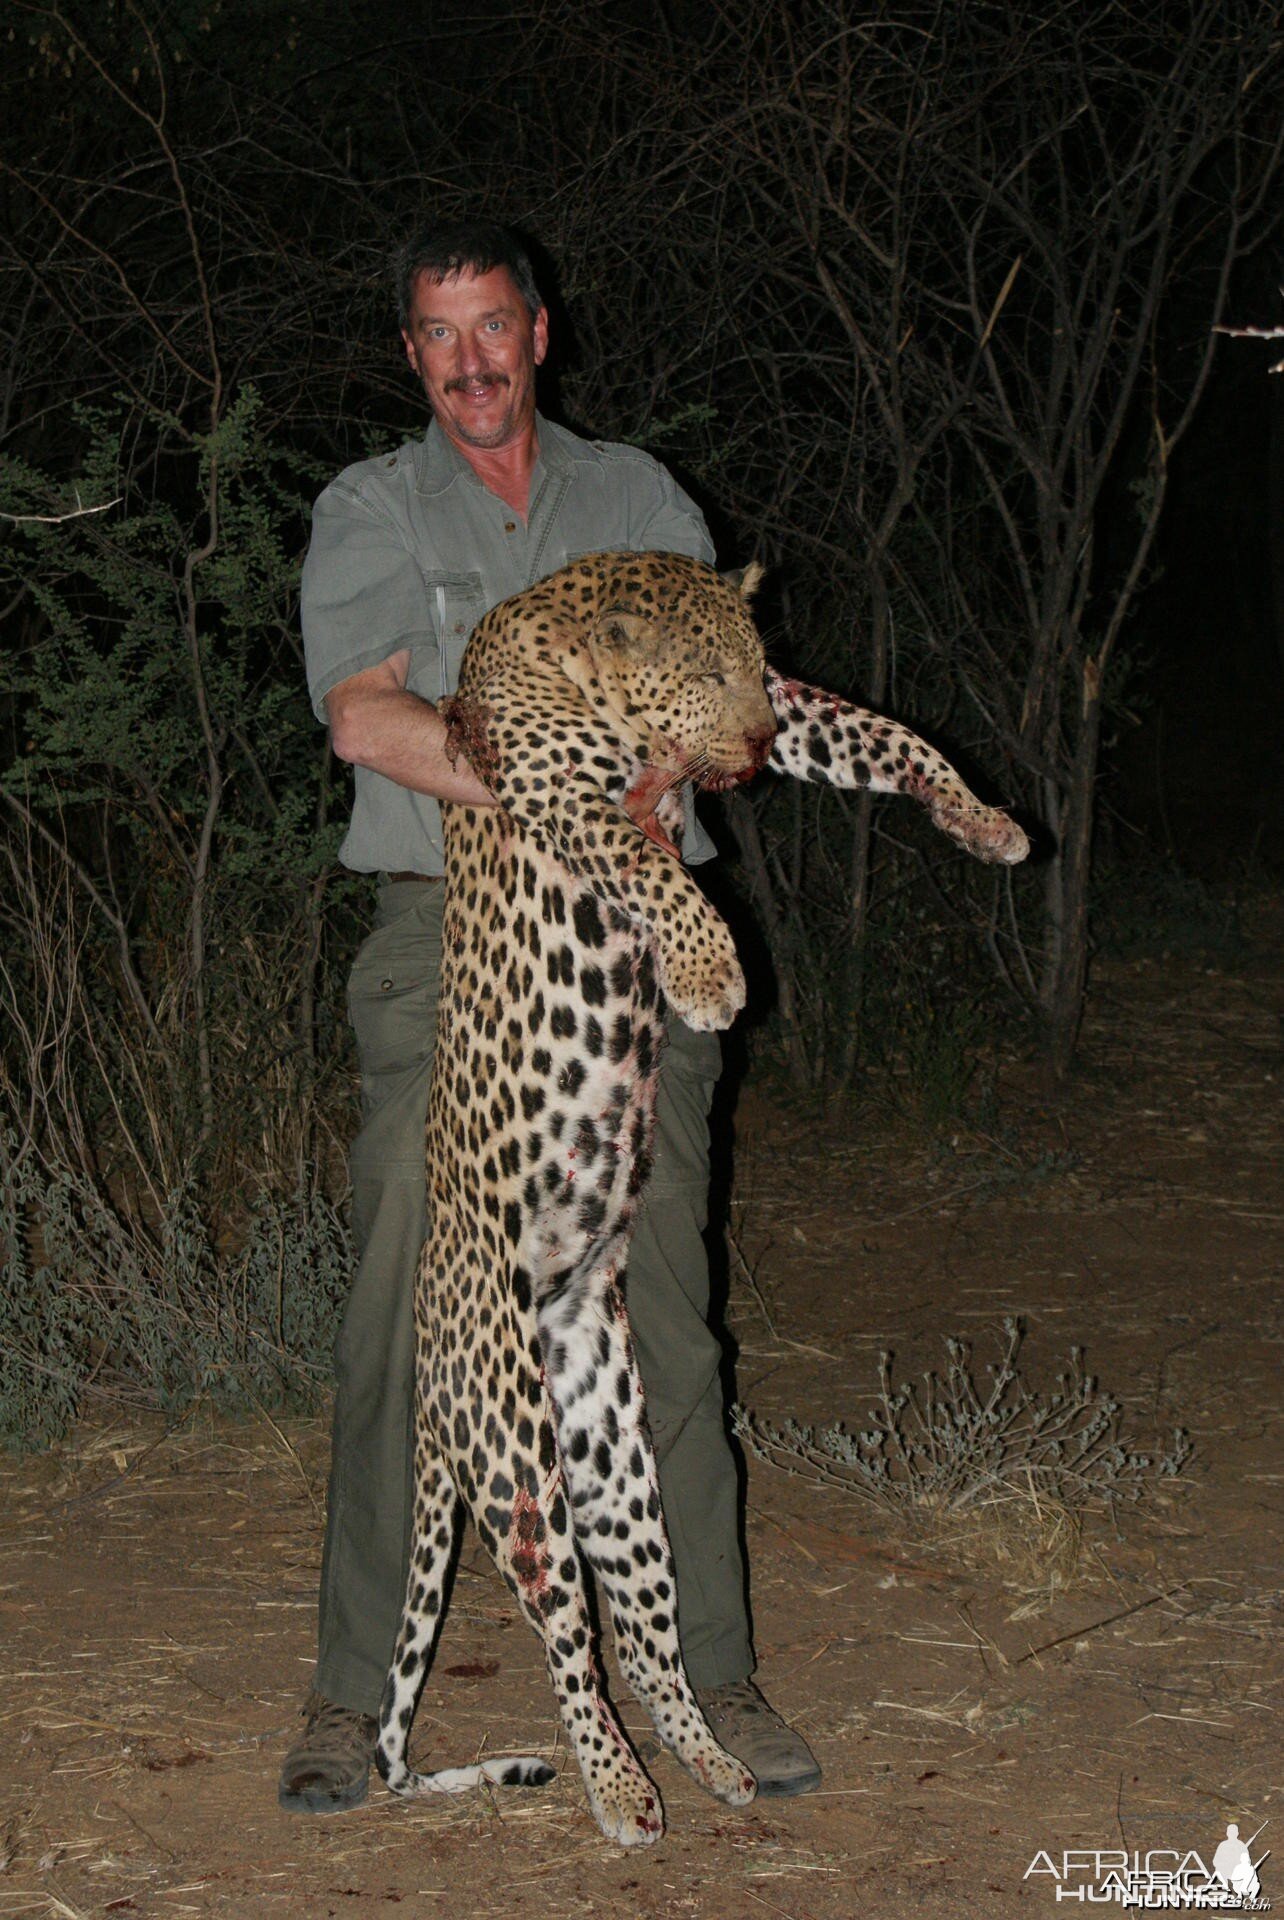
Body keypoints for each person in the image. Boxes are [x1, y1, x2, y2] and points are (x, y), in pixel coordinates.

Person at [279, 219, 821, 1814]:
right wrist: (561, 791)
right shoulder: (373, 506)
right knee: (409, 1304)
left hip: (635, 937)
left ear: (541, 331)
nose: (472, 365)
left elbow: (716, 695)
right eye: (440, 339)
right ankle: (344, 1703)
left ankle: (712, 1673)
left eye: (494, 330)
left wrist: (623, 791)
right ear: (412, 355)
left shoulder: (639, 497)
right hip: (448, 943)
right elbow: (369, 717)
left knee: (657, 1303)